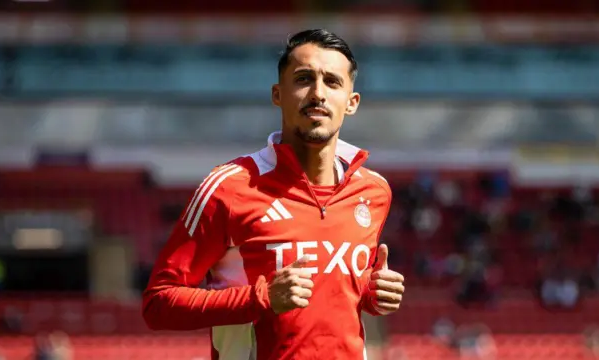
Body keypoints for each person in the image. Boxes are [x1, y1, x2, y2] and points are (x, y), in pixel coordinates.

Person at [142, 29, 406, 359]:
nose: (318, 93)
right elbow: (158, 303)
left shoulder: (373, 191)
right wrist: (261, 298)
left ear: (351, 103)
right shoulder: (228, 187)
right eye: (304, 79)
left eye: (333, 82)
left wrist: (371, 293)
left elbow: (338, 296)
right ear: (278, 94)